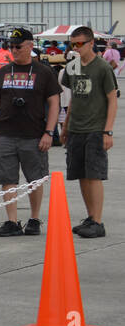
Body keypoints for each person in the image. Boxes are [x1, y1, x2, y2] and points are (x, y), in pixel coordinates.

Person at [0, 28, 60, 237]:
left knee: (35, 178)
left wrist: (49, 132)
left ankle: (34, 219)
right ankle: (12, 221)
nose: (13, 50)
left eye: (18, 46)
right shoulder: (5, 71)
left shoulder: (44, 72)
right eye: (11, 46)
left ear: (30, 45)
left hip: (34, 134)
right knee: (7, 178)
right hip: (6, 132)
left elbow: (54, 104)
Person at [62, 26, 118, 237]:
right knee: (81, 175)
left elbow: (112, 100)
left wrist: (108, 131)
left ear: (91, 43)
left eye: (79, 44)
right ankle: (90, 216)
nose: (75, 48)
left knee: (94, 175)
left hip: (95, 128)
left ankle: (98, 221)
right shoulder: (73, 66)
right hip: (76, 127)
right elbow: (74, 98)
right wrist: (66, 125)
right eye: (72, 44)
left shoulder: (102, 67)